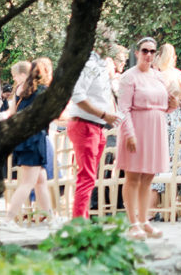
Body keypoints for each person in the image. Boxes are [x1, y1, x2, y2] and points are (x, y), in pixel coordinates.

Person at [117, 37, 179, 240]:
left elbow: (165, 106)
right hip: (136, 126)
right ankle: (132, 223)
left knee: (148, 177)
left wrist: (172, 104)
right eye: (145, 51)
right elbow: (123, 108)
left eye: (152, 51)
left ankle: (144, 221)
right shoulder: (129, 77)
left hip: (156, 128)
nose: (149, 55)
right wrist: (129, 133)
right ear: (137, 53)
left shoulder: (159, 77)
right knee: (133, 176)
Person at [65, 32, 120, 220]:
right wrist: (104, 115)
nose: (111, 46)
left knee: (90, 177)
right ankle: (79, 221)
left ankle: (83, 218)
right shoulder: (88, 65)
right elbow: (77, 95)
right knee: (87, 176)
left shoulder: (100, 65)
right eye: (109, 42)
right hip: (86, 125)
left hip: (98, 126)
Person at [2, 58, 55, 230]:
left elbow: (14, 112)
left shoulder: (22, 89)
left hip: (25, 139)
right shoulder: (43, 91)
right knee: (27, 183)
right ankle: (8, 219)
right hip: (34, 140)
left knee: (40, 181)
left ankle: (51, 218)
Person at [150, 42, 181, 211]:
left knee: (157, 163)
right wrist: (178, 105)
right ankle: (172, 207)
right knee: (174, 162)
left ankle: (154, 207)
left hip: (158, 120)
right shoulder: (179, 75)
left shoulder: (155, 75)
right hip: (175, 122)